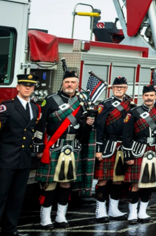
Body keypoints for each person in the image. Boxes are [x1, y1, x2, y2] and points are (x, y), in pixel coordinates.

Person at [37, 70, 95, 227]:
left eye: (73, 82)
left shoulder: (82, 102)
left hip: (72, 146)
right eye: (67, 82)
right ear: (62, 83)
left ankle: (61, 217)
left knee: (66, 183)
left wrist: (87, 124)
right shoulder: (50, 100)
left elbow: (82, 129)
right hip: (53, 146)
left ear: (77, 85)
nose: (70, 85)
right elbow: (40, 125)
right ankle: (45, 218)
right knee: (50, 183)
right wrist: (39, 148)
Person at [0, 74, 41, 236]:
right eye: (24, 85)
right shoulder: (7, 107)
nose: (28, 88)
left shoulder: (34, 108)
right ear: (17, 87)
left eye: (31, 85)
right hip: (7, 158)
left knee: (17, 197)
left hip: (24, 159)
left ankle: (9, 228)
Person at [122, 84, 156, 223]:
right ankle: (132, 213)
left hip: (155, 150)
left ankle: (143, 212)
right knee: (135, 184)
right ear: (142, 97)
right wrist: (128, 155)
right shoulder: (134, 112)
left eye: (151, 96)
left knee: (149, 183)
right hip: (138, 150)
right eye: (146, 96)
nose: (149, 98)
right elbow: (126, 136)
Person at [93, 77, 131, 221]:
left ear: (126, 88)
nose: (119, 89)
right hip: (108, 145)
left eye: (122, 87)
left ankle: (113, 209)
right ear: (112, 88)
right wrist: (99, 149)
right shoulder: (105, 104)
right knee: (103, 179)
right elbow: (99, 128)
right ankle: (100, 210)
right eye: (116, 87)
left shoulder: (130, 105)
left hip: (123, 146)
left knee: (118, 180)